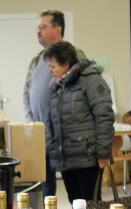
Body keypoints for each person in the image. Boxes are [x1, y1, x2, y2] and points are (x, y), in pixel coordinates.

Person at [44, 41, 114, 209]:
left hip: (88, 156)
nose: (50, 70)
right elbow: (52, 121)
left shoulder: (91, 80)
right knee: (76, 204)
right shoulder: (57, 85)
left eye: (53, 65)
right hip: (66, 158)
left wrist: (103, 153)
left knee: (91, 206)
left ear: (66, 63)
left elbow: (104, 116)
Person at [23, 10, 86, 198]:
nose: (38, 31)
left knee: (76, 191)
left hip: (65, 135)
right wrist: (31, 121)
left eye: (43, 27)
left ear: (58, 29)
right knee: (44, 187)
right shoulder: (36, 60)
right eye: (37, 27)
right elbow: (26, 91)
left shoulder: (75, 55)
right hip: (39, 134)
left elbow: (80, 91)